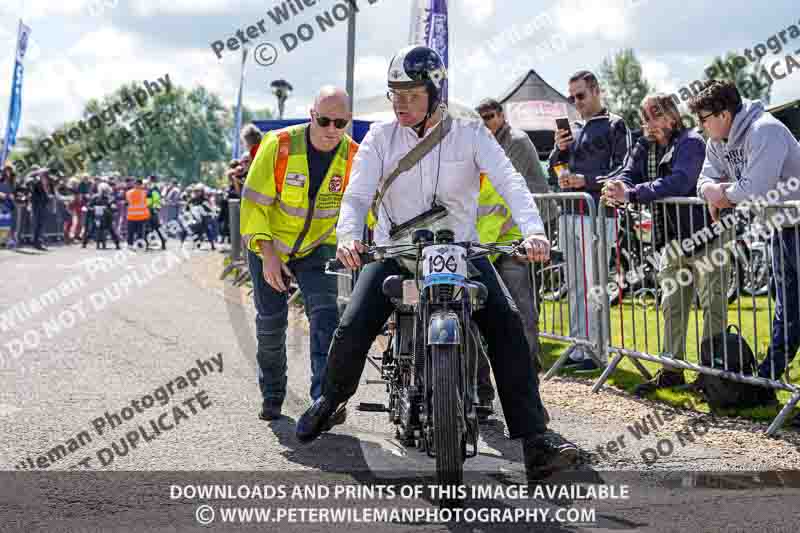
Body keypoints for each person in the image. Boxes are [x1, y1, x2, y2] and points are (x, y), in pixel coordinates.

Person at [295, 46, 576, 481]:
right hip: (398, 253)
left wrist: (534, 231)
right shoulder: (380, 137)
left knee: (508, 323)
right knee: (353, 324)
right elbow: (356, 195)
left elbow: (510, 180)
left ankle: (536, 440)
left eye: (410, 94)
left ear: (434, 92)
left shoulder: (470, 133)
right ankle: (330, 400)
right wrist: (350, 238)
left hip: (460, 252)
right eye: (394, 94)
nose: (400, 103)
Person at [240, 85, 358, 422]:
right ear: (311, 116)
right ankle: (273, 394)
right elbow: (253, 204)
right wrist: (268, 254)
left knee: (326, 319)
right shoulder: (278, 145)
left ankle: (324, 400)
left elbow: (365, 208)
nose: (331, 130)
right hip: (270, 244)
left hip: (317, 248)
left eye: (340, 123)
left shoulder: (353, 156)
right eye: (324, 121)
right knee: (271, 324)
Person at [602, 93, 730, 395]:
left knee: (713, 305)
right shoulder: (643, 144)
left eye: (655, 115)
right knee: (671, 305)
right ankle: (671, 371)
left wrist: (631, 194)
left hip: (707, 235)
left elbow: (680, 181)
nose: (649, 123)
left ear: (672, 115)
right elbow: (629, 172)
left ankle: (712, 375)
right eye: (645, 117)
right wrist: (619, 185)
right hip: (672, 239)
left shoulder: (691, 142)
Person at [692, 80, 800, 405]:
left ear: (724, 113)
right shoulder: (717, 140)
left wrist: (721, 194)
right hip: (781, 227)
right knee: (787, 312)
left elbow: (756, 188)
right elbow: (703, 181)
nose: (701, 125)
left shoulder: (765, 130)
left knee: (790, 310)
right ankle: (764, 384)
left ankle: (765, 383)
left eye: (705, 118)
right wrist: (714, 191)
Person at [548, 70, 631, 372]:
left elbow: (624, 168)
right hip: (570, 212)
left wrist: (586, 180)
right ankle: (579, 345)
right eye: (571, 97)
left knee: (594, 283)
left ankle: (598, 350)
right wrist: (560, 152)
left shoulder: (615, 124)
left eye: (580, 95)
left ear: (596, 91)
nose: (576, 102)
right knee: (575, 283)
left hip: (597, 214)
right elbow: (553, 169)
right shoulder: (573, 128)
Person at [475, 172, 548, 424]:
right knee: (465, 317)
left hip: (505, 247)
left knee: (523, 317)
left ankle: (529, 398)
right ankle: (479, 389)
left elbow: (520, 206)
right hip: (466, 253)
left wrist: (531, 239)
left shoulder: (498, 172)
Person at [83, 182, 120, 249]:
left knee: (111, 229)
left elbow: (113, 206)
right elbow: (89, 205)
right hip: (96, 216)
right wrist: (91, 208)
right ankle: (84, 243)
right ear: (99, 190)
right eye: (102, 190)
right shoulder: (95, 197)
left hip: (107, 216)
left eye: (105, 190)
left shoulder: (110, 198)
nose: (103, 191)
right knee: (91, 229)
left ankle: (117, 244)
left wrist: (113, 207)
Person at [181, 184, 216, 250]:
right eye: (195, 191)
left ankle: (212, 245)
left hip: (203, 219)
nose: (196, 193)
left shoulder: (205, 200)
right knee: (186, 228)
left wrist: (207, 214)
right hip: (193, 219)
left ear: (202, 192)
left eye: (198, 191)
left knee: (208, 229)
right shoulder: (192, 200)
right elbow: (186, 209)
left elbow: (210, 209)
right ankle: (182, 244)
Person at [27, 166, 52, 251]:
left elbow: (48, 191)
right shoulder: (33, 179)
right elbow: (29, 183)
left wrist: (48, 197)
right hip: (36, 204)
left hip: (43, 204)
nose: (45, 174)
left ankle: (39, 242)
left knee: (41, 224)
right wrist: (37, 174)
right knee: (36, 223)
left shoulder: (46, 180)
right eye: (43, 172)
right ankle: (36, 242)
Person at [125, 178, 150, 248]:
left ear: (134, 184)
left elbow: (127, 202)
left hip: (131, 216)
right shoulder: (144, 193)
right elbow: (147, 203)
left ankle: (130, 245)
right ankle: (139, 245)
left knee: (130, 232)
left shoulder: (128, 193)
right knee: (140, 233)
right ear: (141, 185)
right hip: (142, 216)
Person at [145, 176, 167, 250]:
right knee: (155, 228)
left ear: (151, 180)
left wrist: (153, 208)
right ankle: (162, 241)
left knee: (149, 228)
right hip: (151, 210)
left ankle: (147, 244)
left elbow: (155, 199)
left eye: (148, 179)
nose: (148, 181)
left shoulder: (153, 188)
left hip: (151, 210)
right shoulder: (153, 188)